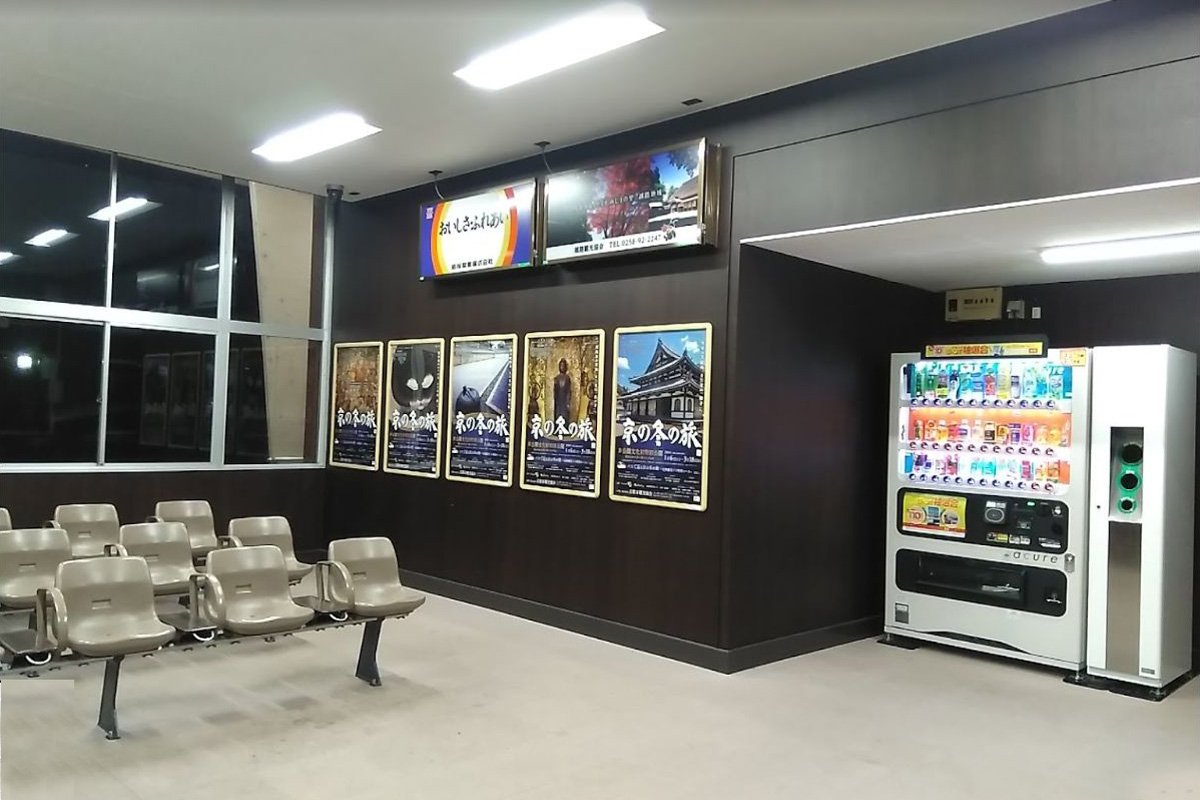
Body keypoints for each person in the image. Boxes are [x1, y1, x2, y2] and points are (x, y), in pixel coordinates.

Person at [553, 358, 572, 423]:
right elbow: (555, 391)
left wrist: (568, 402)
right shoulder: (557, 378)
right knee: (558, 415)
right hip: (558, 401)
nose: (562, 367)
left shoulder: (567, 378)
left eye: (563, 366)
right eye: (561, 366)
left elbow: (569, 391)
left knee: (565, 416)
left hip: (564, 400)